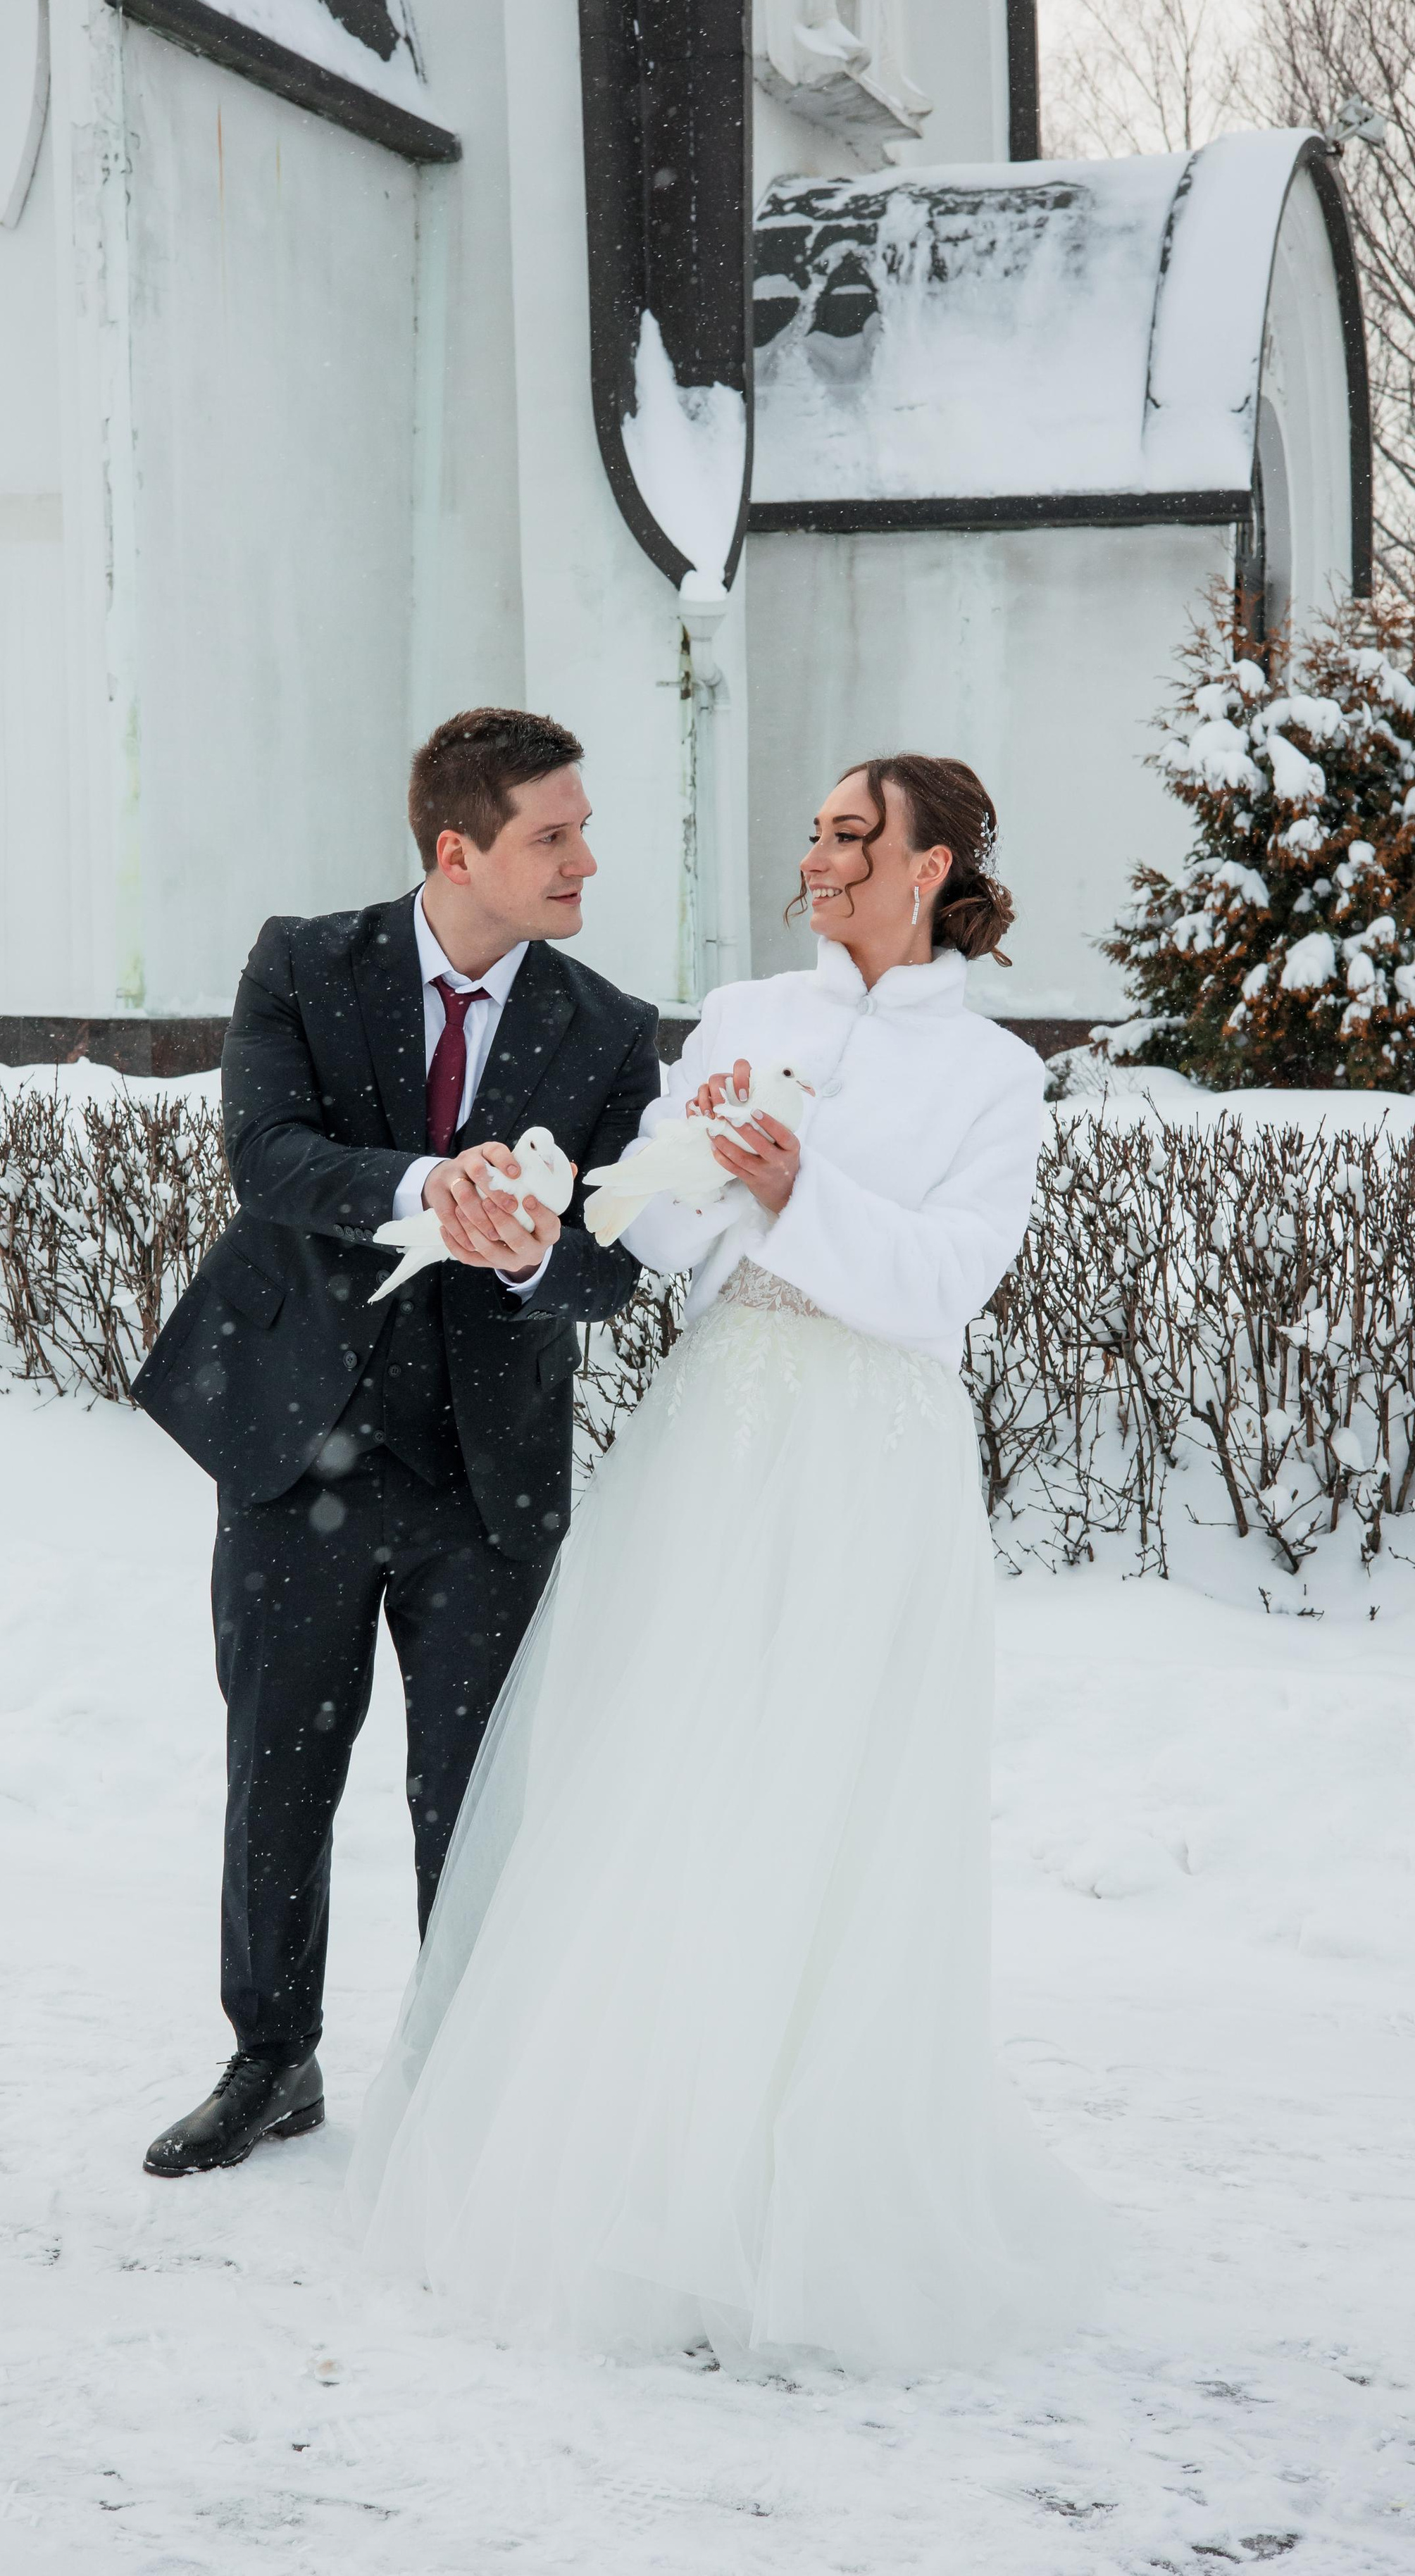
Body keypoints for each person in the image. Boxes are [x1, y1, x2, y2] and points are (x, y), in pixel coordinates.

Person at [345, 754, 1102, 2371]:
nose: (819, 856)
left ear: (931, 867)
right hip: (718, 1436)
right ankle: (639, 2170)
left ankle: (804, 2188)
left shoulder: (987, 1075)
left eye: (852, 835)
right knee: (673, 1780)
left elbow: (946, 1281)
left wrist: (797, 1188)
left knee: (828, 1799)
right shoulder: (746, 1013)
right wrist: (586, 1208)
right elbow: (671, 1228)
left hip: (868, 1454)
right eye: (818, 832)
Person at [133, 708, 661, 2176]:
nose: (583, 860)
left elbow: (613, 1265)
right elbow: (270, 1156)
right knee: (277, 1775)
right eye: (553, 835)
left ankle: (466, 2079)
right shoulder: (303, 964)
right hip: (293, 1447)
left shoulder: (606, 1029)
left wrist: (524, 1248)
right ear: (458, 849)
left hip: (482, 1482)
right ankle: (270, 2060)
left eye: (580, 828)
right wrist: (435, 1186)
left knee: (477, 1795)